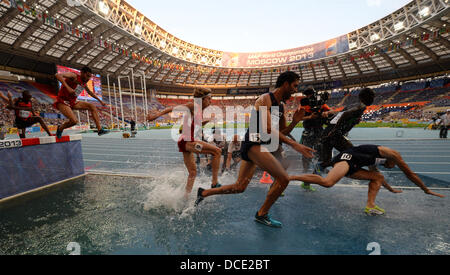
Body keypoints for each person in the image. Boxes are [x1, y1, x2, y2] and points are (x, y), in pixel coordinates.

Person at [195, 71, 315, 228]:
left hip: (259, 146)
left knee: (239, 187)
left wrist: (295, 122)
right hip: (253, 144)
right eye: (294, 86)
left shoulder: (280, 107)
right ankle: (262, 214)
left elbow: (282, 133)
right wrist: (295, 144)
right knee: (283, 178)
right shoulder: (265, 99)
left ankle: (203, 193)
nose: (295, 90)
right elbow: (266, 129)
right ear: (285, 84)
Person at [290, 145, 445, 216]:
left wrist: (390, 189)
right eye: (392, 166)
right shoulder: (391, 155)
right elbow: (410, 174)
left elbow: (377, 177)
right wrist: (426, 190)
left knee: (378, 176)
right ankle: (289, 177)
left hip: (355, 166)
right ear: (393, 160)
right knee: (328, 183)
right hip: (346, 159)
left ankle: (370, 206)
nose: (390, 167)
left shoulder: (379, 161)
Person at [147, 87, 222, 197]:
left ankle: (185, 197)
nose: (211, 101)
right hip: (188, 142)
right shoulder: (194, 105)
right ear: (203, 99)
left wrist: (208, 121)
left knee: (192, 173)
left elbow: (197, 124)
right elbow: (173, 108)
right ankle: (214, 183)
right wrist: (156, 115)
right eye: (209, 99)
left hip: (185, 142)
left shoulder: (198, 110)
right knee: (217, 152)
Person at [316, 88, 376, 171]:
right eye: (371, 96)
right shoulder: (361, 107)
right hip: (334, 135)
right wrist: (335, 130)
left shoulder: (353, 105)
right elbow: (345, 114)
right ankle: (374, 173)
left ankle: (307, 181)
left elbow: (338, 116)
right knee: (356, 154)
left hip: (328, 134)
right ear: (363, 97)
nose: (373, 99)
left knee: (326, 162)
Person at [54, 66, 109, 138]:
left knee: (92, 106)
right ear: (82, 73)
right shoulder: (74, 76)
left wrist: (100, 101)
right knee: (74, 121)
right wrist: (68, 88)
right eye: (87, 76)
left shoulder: (83, 83)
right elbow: (57, 75)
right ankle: (60, 128)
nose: (88, 78)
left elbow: (90, 92)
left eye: (90, 77)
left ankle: (100, 129)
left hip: (72, 102)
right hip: (62, 101)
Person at [298, 89, 336, 191]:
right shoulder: (304, 104)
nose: (310, 97)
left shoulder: (321, 104)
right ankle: (305, 173)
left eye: (311, 95)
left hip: (319, 131)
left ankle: (317, 170)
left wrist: (326, 113)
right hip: (309, 131)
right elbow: (299, 118)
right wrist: (310, 116)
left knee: (321, 152)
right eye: (308, 95)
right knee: (306, 153)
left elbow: (332, 111)